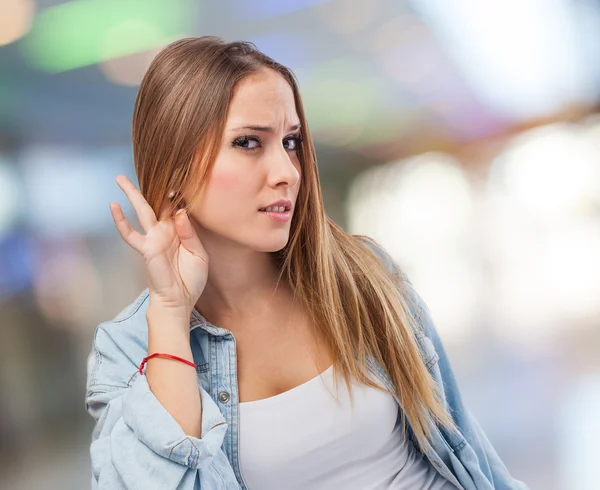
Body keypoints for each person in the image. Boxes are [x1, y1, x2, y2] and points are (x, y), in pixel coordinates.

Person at [84, 36, 528, 489]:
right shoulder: (128, 351)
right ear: (174, 169)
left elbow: (468, 449)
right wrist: (171, 312)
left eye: (291, 141)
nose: (287, 172)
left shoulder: (360, 274)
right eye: (248, 142)